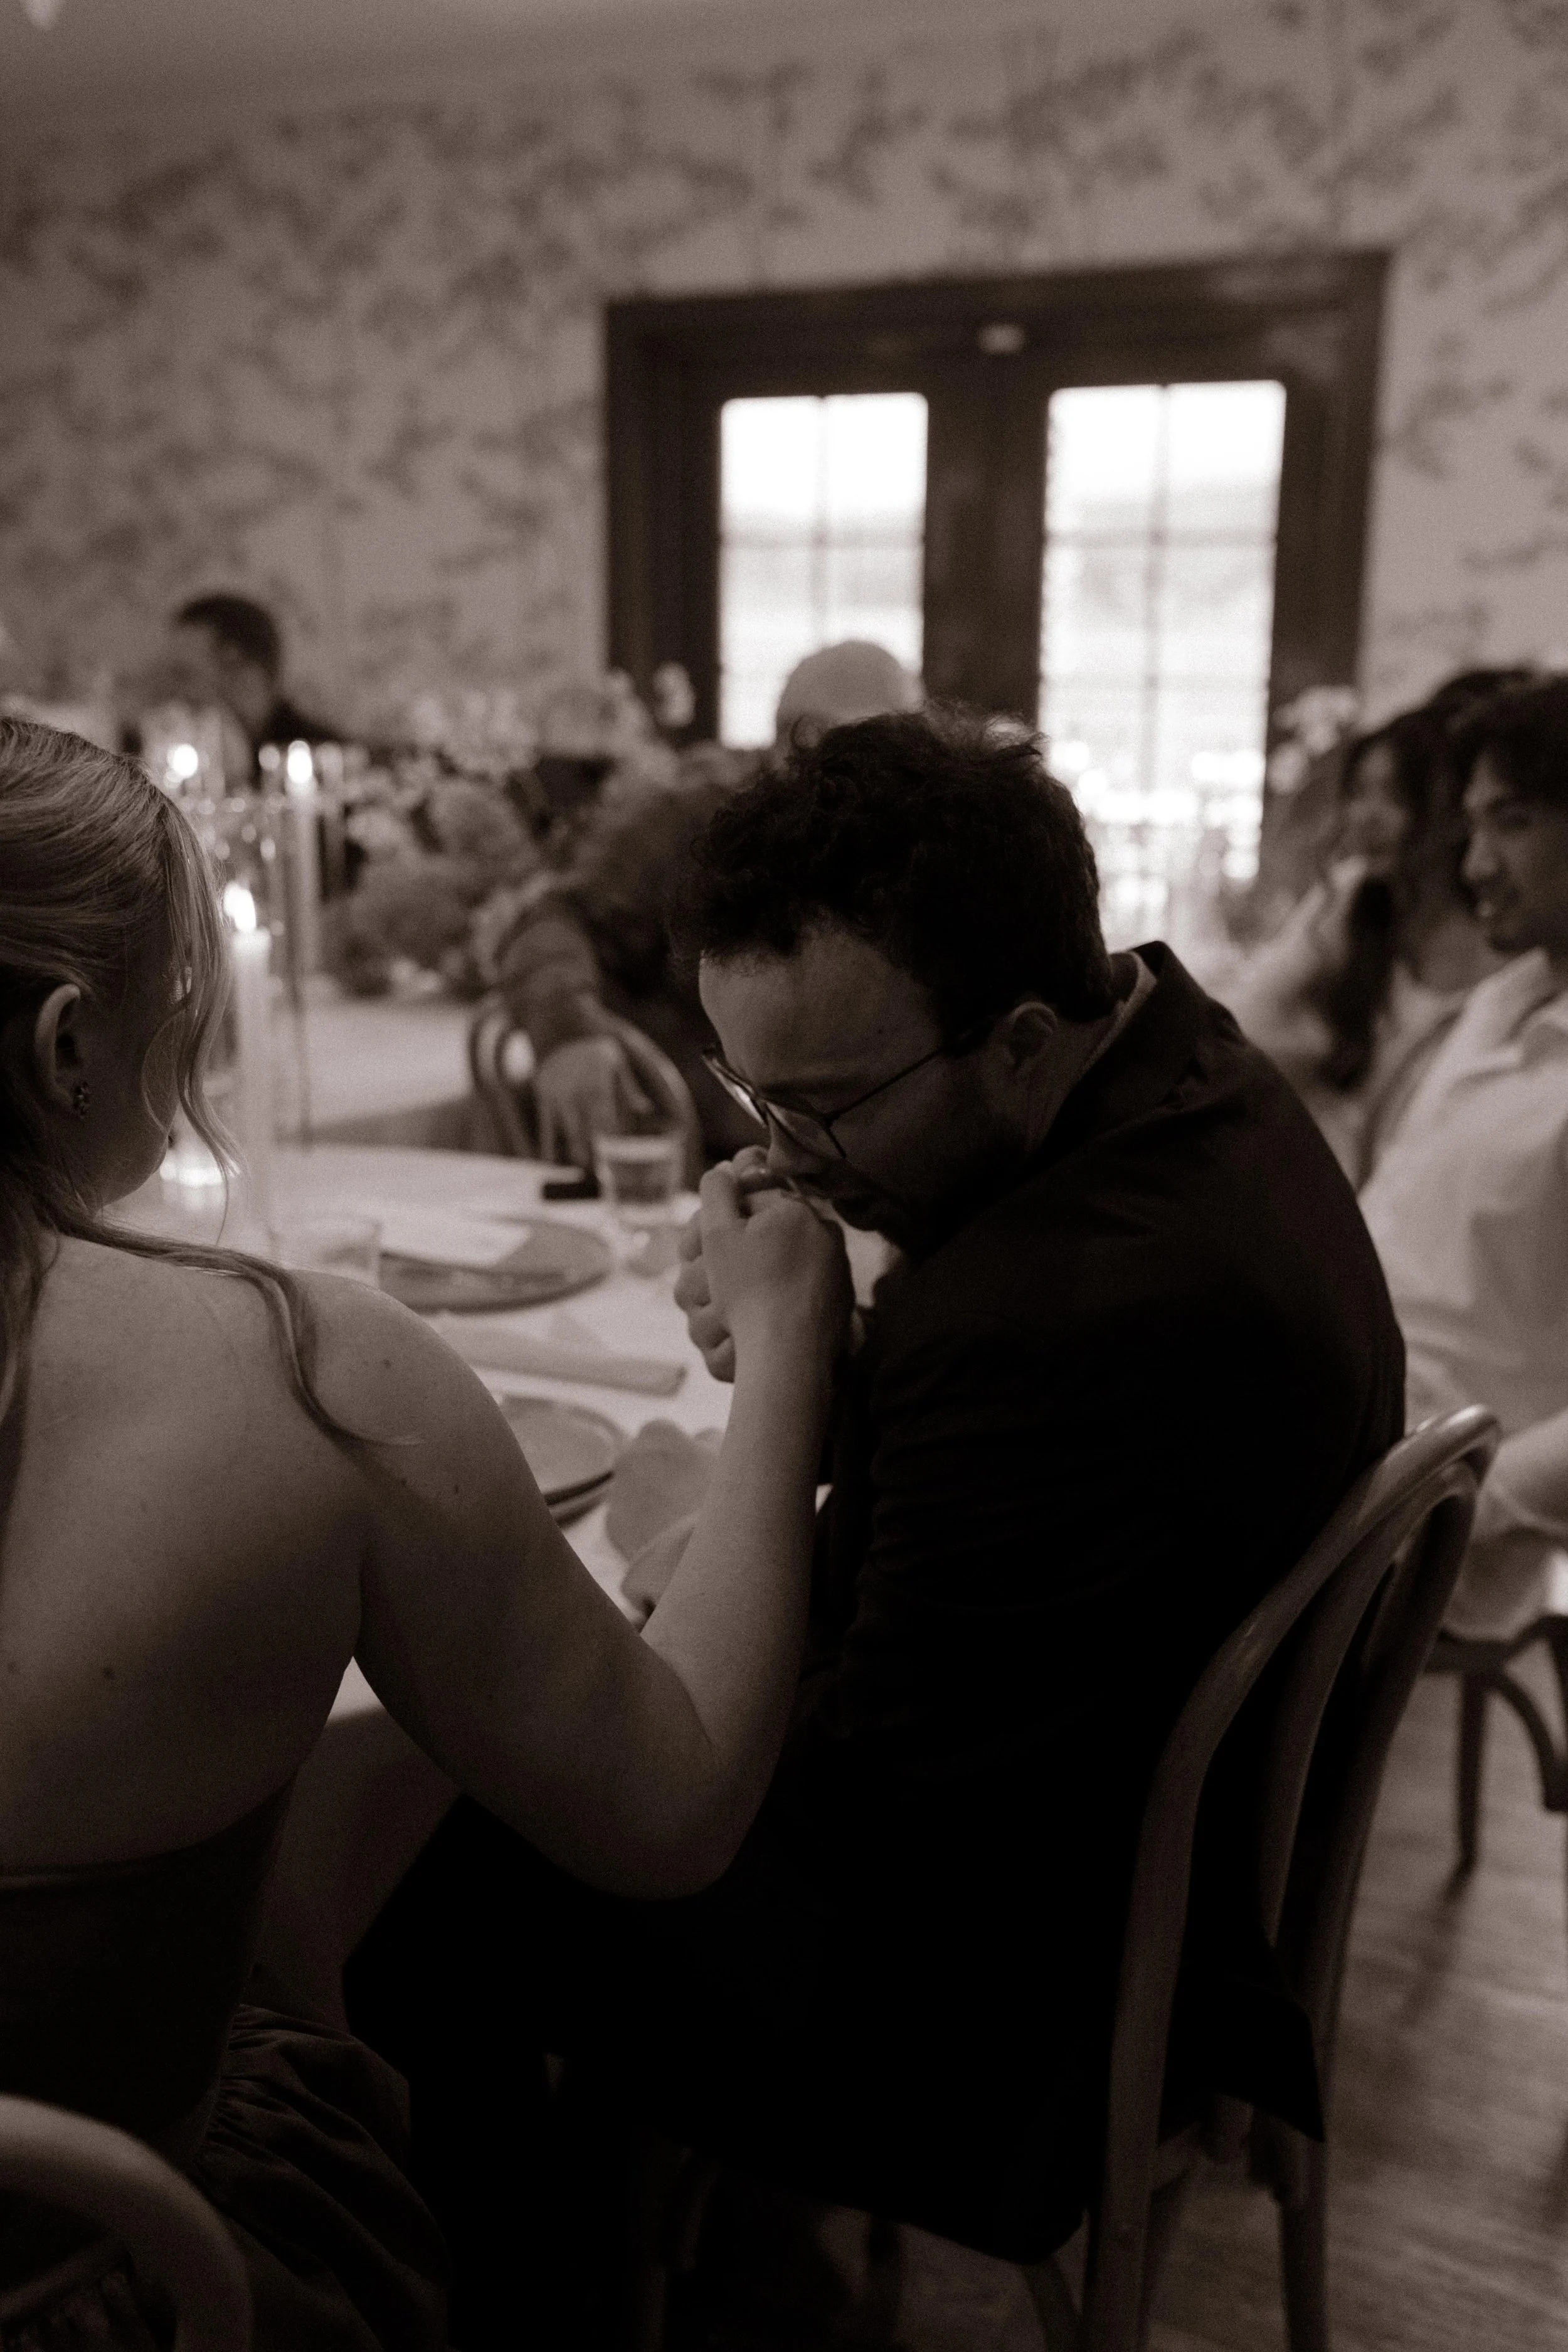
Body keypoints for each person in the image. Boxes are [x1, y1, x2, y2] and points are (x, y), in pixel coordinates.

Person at [348, 706, 1404, 2321]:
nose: (790, 1156)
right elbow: (1018, 1489)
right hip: (1102, 1831)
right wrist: (832, 1362)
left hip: (1020, 2008)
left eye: (827, 1107)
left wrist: (780, 1379)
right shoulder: (1189, 1075)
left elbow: (836, 1814)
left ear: (1026, 1038)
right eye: (752, 1093)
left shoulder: (1054, 1318)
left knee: (431, 1866)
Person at [0, 717, 848, 2348]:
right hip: (118, 2280)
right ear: (62, 1047)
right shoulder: (312, 1369)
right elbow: (667, 1807)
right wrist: (792, 1346)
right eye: (183, 1005)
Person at [492, 641, 921, 1168]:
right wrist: (566, 1034)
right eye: (881, 749)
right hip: (709, 1145)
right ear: (799, 738)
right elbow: (552, 922)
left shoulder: (904, 833)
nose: (898, 776)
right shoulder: (695, 815)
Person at [1359, 676, 1568, 1639]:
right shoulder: (1506, 997)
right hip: (1339, 1429)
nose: (1477, 862)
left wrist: (1464, 1511)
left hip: (1418, 1505)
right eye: (1474, 825)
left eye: (1514, 823)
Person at [1224, 672, 1530, 1184]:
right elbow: (1242, 1023)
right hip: (1332, 1186)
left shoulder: (1508, 934)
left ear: (1451, 812)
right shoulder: (1348, 903)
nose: (1365, 817)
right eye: (1359, 792)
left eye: (1392, 796)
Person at [164, 593, 337, 778]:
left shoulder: (326, 764)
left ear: (239, 669)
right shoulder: (175, 760)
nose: (173, 692)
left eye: (184, 675)